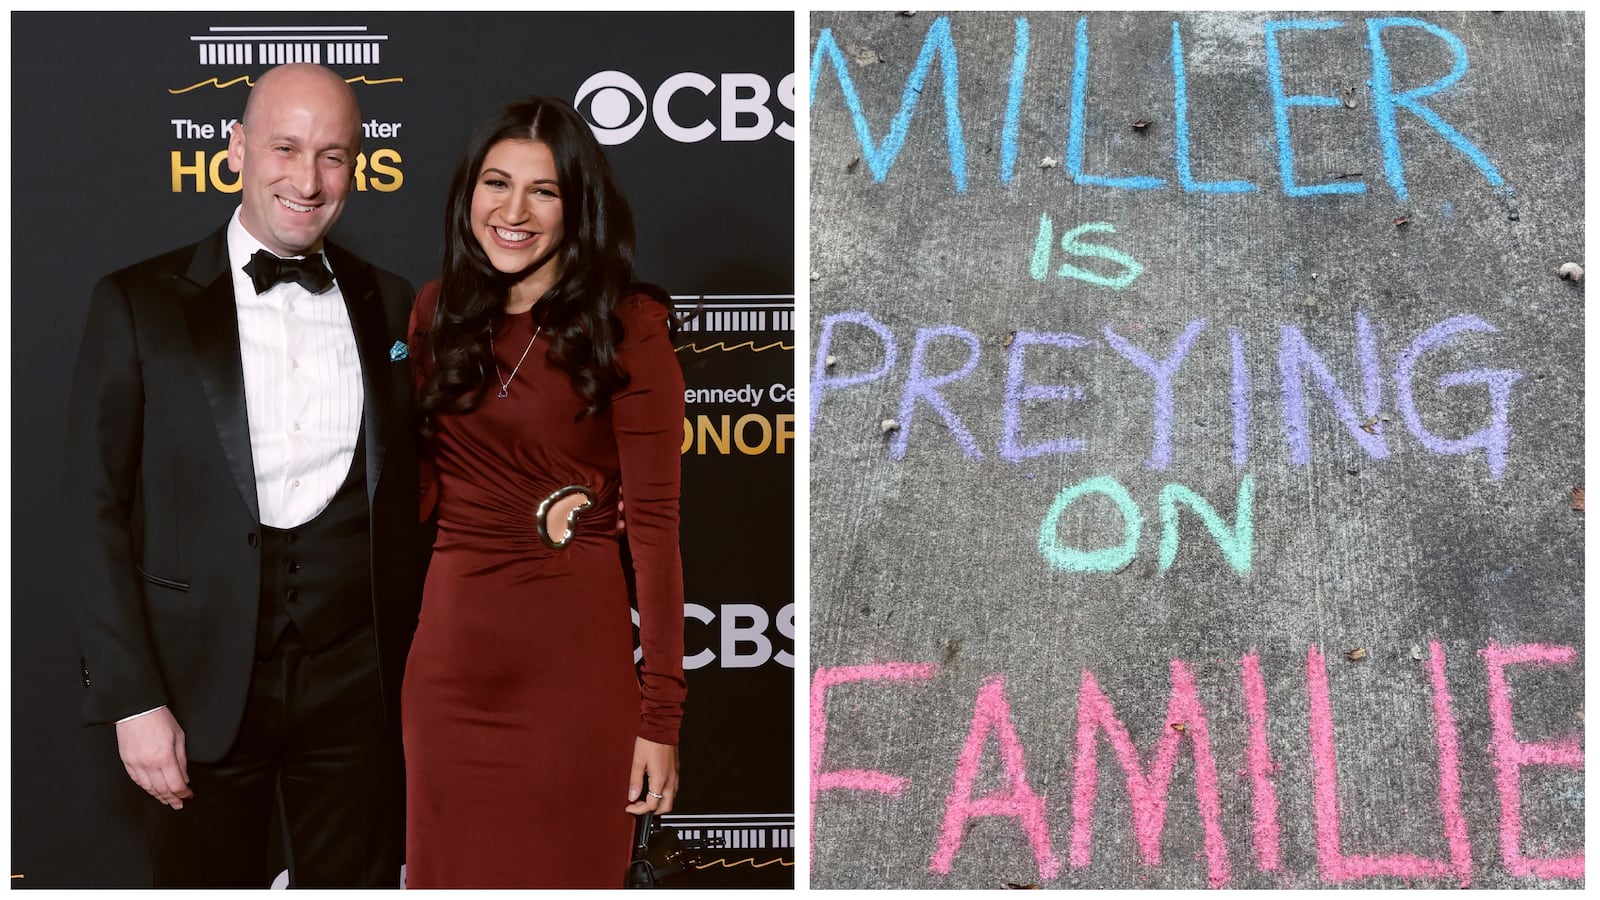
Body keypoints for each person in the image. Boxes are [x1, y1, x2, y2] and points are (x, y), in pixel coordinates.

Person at [62, 63, 421, 887]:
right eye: (285, 148)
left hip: (357, 698)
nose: (307, 179)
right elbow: (93, 513)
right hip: (195, 695)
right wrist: (132, 697)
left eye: (333, 155)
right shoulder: (137, 304)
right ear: (235, 150)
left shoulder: (391, 303)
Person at [402, 96, 687, 888]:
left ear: (577, 207)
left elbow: (657, 535)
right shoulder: (437, 314)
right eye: (496, 183)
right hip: (448, 673)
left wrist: (661, 717)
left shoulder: (627, 328)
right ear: (468, 195)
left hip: (574, 675)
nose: (513, 211)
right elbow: (414, 494)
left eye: (544, 190)